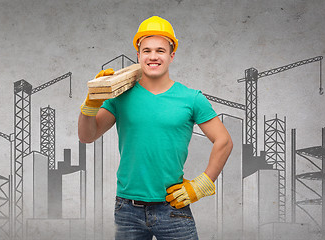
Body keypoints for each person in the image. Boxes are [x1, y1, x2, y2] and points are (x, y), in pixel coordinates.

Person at [78, 16, 233, 240]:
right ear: (138, 55)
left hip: (173, 207)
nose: (153, 56)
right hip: (127, 210)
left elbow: (224, 141)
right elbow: (87, 136)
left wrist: (202, 184)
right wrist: (91, 103)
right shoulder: (119, 96)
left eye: (160, 50)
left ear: (172, 55)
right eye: (147, 50)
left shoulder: (191, 98)